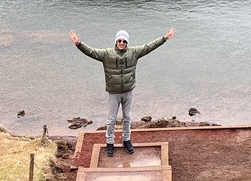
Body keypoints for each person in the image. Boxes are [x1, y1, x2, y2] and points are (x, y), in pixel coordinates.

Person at [68, 27, 176, 156]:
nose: (121, 43)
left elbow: (149, 47)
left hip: (128, 92)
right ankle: (110, 143)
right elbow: (91, 52)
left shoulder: (134, 52)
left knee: (127, 118)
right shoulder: (107, 54)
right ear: (116, 41)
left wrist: (164, 38)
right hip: (114, 93)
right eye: (119, 40)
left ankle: (126, 140)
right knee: (111, 120)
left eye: (124, 41)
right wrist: (78, 44)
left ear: (127, 43)